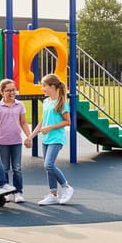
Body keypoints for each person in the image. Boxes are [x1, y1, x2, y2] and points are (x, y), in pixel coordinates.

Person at [28, 74, 74, 206]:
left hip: (56, 138)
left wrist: (50, 127)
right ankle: (53, 195)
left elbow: (67, 122)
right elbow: (42, 122)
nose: (43, 88)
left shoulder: (62, 103)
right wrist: (31, 136)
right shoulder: (47, 102)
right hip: (46, 138)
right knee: (48, 168)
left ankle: (66, 187)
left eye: (44, 86)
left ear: (52, 87)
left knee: (48, 165)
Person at [0, 79, 32, 203]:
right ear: (2, 92)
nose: (12, 92)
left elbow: (23, 123)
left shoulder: (20, 104)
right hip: (3, 142)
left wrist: (29, 137)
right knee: (4, 168)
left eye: (14, 89)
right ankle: (6, 191)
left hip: (16, 141)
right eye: (9, 90)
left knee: (17, 168)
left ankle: (18, 192)